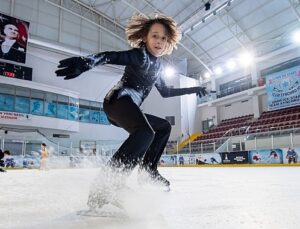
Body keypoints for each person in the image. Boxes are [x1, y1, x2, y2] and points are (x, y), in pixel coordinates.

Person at [56, 14, 207, 209]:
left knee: (162, 128)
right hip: (117, 101)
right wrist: (87, 62)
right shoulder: (139, 55)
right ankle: (105, 184)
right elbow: (111, 55)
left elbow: (166, 92)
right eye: (155, 36)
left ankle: (147, 172)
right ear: (145, 37)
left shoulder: (158, 66)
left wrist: (194, 89)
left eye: (163, 38)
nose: (159, 42)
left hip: (129, 107)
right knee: (145, 133)